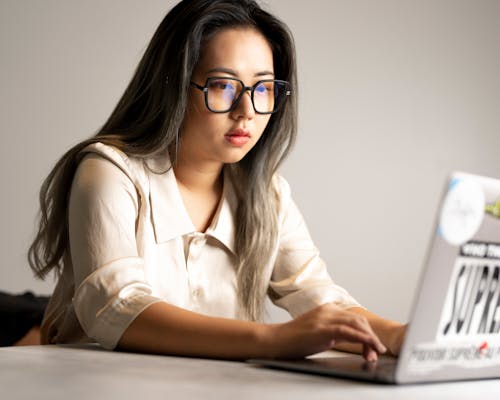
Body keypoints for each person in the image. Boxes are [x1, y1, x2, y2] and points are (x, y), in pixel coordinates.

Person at [29, 0, 405, 361]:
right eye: (223, 86)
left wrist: (399, 337)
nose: (247, 112)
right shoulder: (109, 171)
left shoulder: (268, 192)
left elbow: (319, 297)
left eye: (264, 88)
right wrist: (274, 339)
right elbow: (115, 307)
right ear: (173, 85)